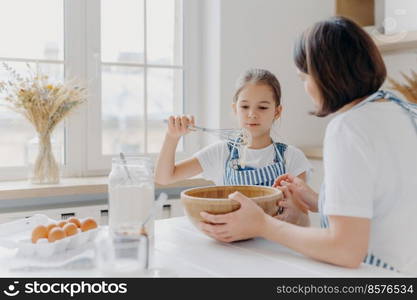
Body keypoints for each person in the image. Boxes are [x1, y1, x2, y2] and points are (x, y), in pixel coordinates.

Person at [198, 16, 417, 275]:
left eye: (304, 78)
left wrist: (262, 225)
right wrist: (318, 200)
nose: (306, 88)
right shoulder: (402, 110)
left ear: (326, 75)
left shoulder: (348, 128)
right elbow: (387, 201)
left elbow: (345, 249)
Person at [155, 69, 312, 225]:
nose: (252, 114)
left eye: (262, 107)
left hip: (276, 245)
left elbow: (304, 222)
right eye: (244, 107)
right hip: (231, 243)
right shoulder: (221, 153)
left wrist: (294, 216)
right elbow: (164, 177)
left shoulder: (292, 157)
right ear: (235, 109)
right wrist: (172, 137)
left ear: (277, 112)